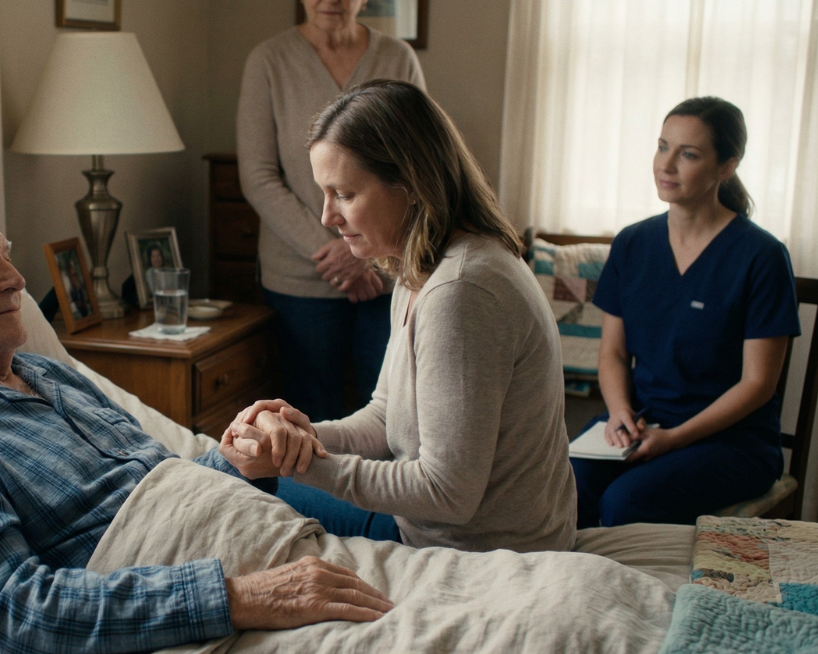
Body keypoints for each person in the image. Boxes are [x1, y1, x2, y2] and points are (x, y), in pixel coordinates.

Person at [0, 190, 391, 654]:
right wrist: (243, 597)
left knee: (410, 524)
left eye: (6, 255)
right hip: (221, 593)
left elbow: (163, 488)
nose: (16, 278)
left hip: (263, 542)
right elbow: (15, 611)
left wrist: (238, 459)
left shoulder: (45, 373)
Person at [221, 80, 578, 553]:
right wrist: (298, 438)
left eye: (344, 194)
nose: (328, 216)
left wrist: (300, 466)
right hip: (443, 529)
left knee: (221, 483)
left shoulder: (461, 292)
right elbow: (385, 419)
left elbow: (447, 493)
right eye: (324, 194)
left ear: (411, 186)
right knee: (223, 467)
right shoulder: (420, 266)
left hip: (479, 550)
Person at [571, 97, 801, 528]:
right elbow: (614, 353)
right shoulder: (632, 244)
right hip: (640, 424)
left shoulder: (762, 256)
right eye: (662, 147)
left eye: (688, 154)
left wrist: (674, 439)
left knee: (625, 504)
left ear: (726, 166)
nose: (667, 164)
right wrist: (619, 410)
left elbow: (758, 384)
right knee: (561, 485)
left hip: (733, 442)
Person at [237, 0, 426, 424]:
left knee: (397, 419)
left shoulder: (397, 58)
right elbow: (258, 176)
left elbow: (418, 165)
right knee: (309, 423)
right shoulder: (269, 60)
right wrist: (340, 250)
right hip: (301, 279)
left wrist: (367, 258)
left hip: (387, 274)